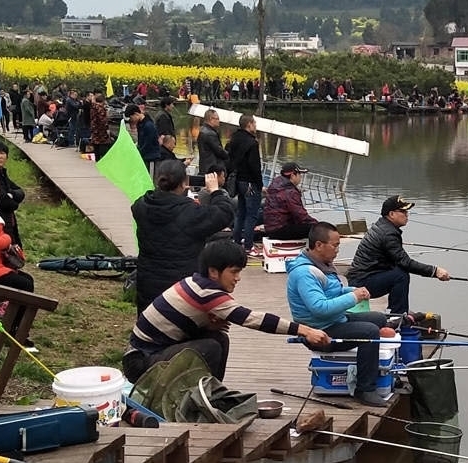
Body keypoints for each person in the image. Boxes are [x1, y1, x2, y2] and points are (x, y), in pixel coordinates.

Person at [122, 237, 330, 384]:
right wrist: (305, 331)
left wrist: (205, 325)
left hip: (152, 352)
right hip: (140, 362)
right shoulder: (207, 293)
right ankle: (201, 396)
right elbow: (253, 319)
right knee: (212, 346)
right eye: (234, 272)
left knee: (218, 338)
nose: (238, 278)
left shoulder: (196, 282)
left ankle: (210, 391)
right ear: (213, 272)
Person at [285, 222, 392, 408]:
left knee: (379, 318)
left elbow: (331, 293)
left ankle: (371, 367)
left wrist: (353, 290)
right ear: (319, 245)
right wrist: (353, 297)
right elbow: (319, 307)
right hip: (320, 332)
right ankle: (365, 389)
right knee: (370, 332)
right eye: (334, 245)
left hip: (334, 320)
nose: (337, 250)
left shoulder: (320, 264)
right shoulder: (304, 273)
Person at [131, 159, 235, 311]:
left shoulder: (142, 206)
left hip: (148, 282)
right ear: (184, 183)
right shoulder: (190, 212)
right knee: (182, 328)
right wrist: (215, 191)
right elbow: (225, 213)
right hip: (181, 286)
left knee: (150, 326)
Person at [346, 195, 449, 314]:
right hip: (360, 283)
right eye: (403, 211)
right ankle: (398, 315)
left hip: (362, 277)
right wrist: (435, 271)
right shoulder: (388, 234)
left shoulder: (384, 226)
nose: (407, 214)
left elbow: (400, 260)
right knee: (400, 276)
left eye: (407, 211)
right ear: (391, 214)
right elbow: (405, 262)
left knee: (398, 271)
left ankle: (398, 310)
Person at [226, 113, 264, 249]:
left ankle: (236, 240)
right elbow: (255, 166)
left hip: (238, 180)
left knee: (241, 212)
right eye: (254, 123)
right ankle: (248, 245)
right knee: (252, 214)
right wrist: (260, 184)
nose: (255, 126)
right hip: (250, 182)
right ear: (249, 125)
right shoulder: (252, 143)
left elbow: (228, 158)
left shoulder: (234, 139)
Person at [261, 161, 315, 242]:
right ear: (293, 175)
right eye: (299, 175)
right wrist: (319, 226)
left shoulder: (275, 184)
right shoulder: (290, 191)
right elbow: (300, 214)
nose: (301, 177)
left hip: (270, 227)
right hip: (279, 229)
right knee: (313, 229)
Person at [196, 106, 227, 186]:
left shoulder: (202, 130)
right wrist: (229, 154)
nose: (219, 121)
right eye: (217, 119)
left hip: (204, 165)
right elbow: (219, 151)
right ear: (211, 119)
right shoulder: (210, 133)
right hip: (212, 167)